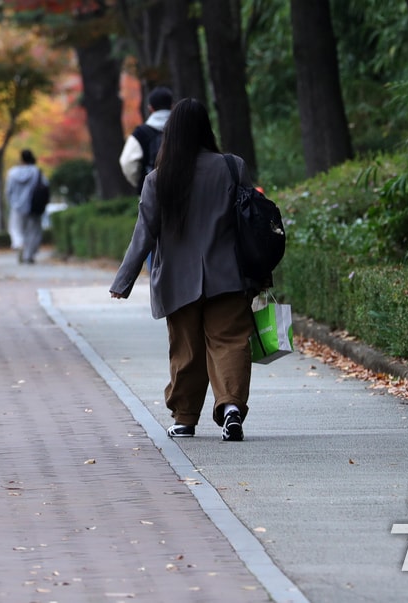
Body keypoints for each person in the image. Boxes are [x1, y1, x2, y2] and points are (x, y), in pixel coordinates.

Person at [109, 98, 255, 442]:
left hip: (177, 280)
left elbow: (143, 234)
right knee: (230, 342)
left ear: (170, 134)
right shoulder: (232, 167)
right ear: (207, 128)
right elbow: (249, 220)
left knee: (186, 350)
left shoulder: (159, 179)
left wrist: (123, 281)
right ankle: (231, 406)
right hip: (228, 275)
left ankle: (186, 418)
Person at [119, 87, 173, 192]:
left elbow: (127, 162)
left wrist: (141, 182)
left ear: (150, 108)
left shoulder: (140, 133)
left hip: (152, 191)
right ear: (172, 106)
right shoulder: (184, 127)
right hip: (185, 190)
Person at [6, 149, 48, 264]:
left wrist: (12, 201)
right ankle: (29, 256)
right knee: (33, 232)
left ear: (21, 159)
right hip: (34, 206)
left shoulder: (12, 173)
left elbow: (8, 190)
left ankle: (18, 244)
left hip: (16, 206)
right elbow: (45, 186)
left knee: (15, 228)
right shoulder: (37, 172)